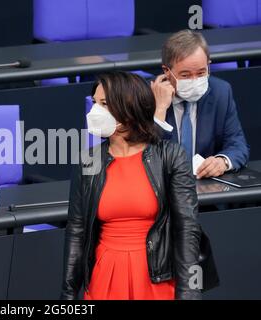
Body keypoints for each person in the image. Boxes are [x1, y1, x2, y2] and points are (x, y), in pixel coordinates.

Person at [61, 71, 207, 300]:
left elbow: (187, 229)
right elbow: (76, 233)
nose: (94, 112)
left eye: (104, 104)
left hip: (157, 277)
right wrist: (68, 295)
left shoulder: (170, 156)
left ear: (129, 108)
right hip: (106, 276)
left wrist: (189, 292)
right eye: (94, 103)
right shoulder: (88, 161)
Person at [151, 29, 249, 179]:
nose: (194, 80)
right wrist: (160, 109)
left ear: (209, 65)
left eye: (201, 73)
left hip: (206, 189)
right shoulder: (146, 96)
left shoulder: (220, 92)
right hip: (162, 190)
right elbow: (146, 156)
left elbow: (238, 145)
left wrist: (222, 161)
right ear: (166, 71)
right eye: (185, 75)